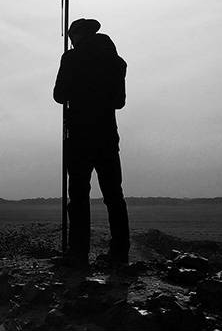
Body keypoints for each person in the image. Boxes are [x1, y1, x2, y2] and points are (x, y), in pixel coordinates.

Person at [53, 18, 130, 267]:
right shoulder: (116, 62)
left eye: (72, 36)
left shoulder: (71, 58)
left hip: (79, 135)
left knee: (78, 195)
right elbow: (119, 102)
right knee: (114, 195)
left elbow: (59, 95)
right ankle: (120, 253)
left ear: (78, 35)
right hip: (107, 134)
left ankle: (78, 253)